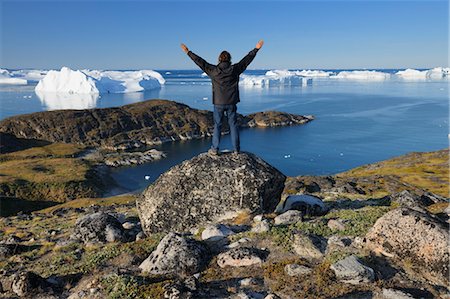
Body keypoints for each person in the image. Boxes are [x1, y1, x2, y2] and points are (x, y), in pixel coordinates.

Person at [180, 40, 264, 155]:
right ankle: (236, 149)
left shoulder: (213, 70)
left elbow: (200, 62)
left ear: (219, 59)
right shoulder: (235, 69)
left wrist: (188, 52)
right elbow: (246, 60)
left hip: (218, 103)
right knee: (233, 125)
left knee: (218, 125)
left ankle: (214, 149)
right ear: (230, 59)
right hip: (231, 102)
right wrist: (256, 49)